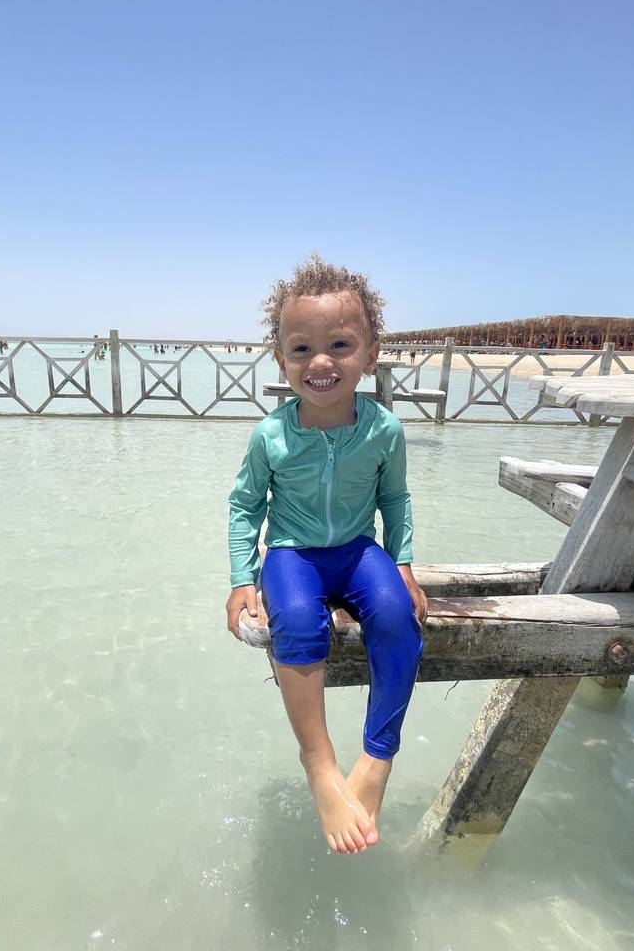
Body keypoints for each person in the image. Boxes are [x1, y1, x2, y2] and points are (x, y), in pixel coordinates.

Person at [226, 255, 426, 855]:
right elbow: (244, 507)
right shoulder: (271, 434)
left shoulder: (384, 430)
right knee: (299, 624)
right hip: (293, 555)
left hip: (359, 552)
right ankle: (319, 766)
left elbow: (395, 499)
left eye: (340, 344)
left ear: (370, 355)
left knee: (399, 618)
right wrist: (241, 579)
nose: (320, 361)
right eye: (301, 348)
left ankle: (376, 762)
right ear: (281, 359)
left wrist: (405, 565)